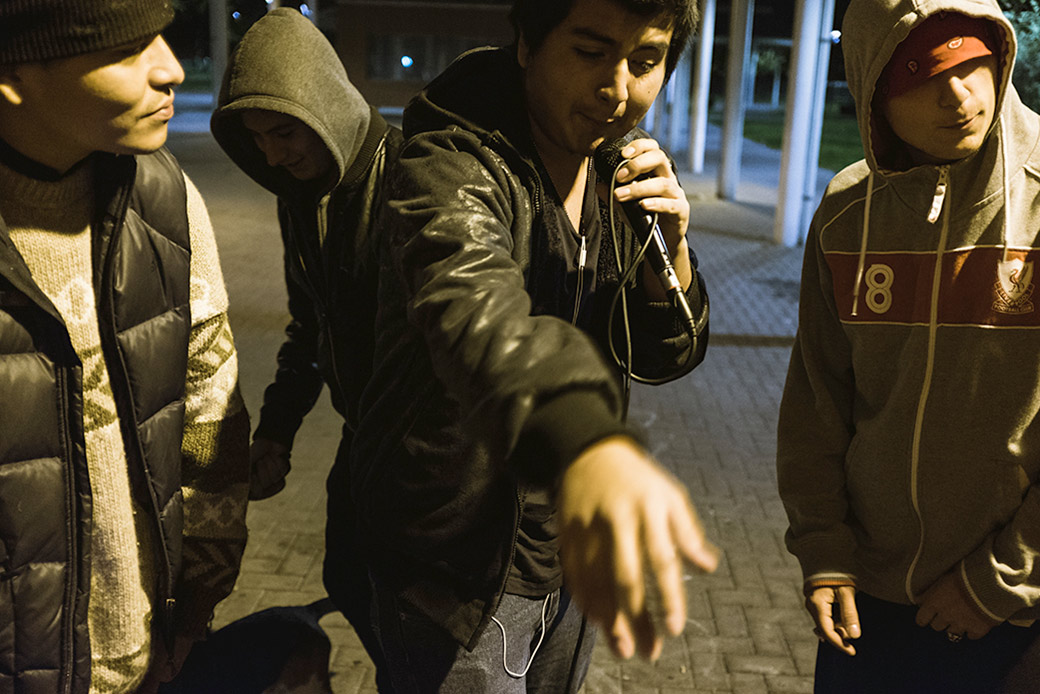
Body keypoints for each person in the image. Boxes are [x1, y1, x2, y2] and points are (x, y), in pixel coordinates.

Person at [349, 0, 719, 690]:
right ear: (527, 44)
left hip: (566, 550)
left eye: (645, 61)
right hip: (454, 565)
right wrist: (589, 442)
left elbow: (666, 354)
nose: (616, 90)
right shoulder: (450, 164)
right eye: (590, 52)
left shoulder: (620, 169)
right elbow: (475, 308)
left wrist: (667, 253)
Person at [777, 0, 1040, 691]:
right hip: (866, 602)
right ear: (875, 94)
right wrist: (824, 552)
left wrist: (1001, 580)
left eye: (972, 61)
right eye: (922, 74)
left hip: (1015, 618)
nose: (959, 95)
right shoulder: (846, 213)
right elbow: (816, 402)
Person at [0, 1, 251, 692]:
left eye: (162, 36)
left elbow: (211, 415)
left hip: (151, 654)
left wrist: (195, 607)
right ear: (14, 75)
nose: (171, 68)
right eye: (125, 49)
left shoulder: (164, 199)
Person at [209, 7, 403, 690]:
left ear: (324, 105)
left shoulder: (412, 180)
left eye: (284, 132)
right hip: (363, 438)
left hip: (424, 458)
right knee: (346, 579)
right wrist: (277, 430)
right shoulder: (300, 192)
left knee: (414, 621)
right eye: (257, 139)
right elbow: (310, 324)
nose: (271, 155)